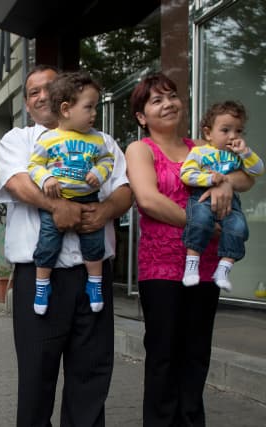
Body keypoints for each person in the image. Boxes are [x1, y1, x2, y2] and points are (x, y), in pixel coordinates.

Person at [0, 64, 132, 426]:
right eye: (33, 91)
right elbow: (19, 183)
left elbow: (124, 190)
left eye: (48, 87)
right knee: (36, 379)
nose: (41, 95)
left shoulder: (102, 141)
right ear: (26, 103)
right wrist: (58, 206)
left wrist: (103, 212)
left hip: (93, 278)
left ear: (66, 97)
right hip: (40, 279)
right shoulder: (19, 140)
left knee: (91, 375)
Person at [125, 73, 255, 426]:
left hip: (207, 266)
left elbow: (246, 175)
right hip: (162, 268)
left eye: (171, 96)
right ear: (142, 116)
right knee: (164, 356)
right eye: (156, 100)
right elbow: (149, 200)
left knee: (196, 355)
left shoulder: (202, 146)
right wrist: (203, 224)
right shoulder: (140, 149)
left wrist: (226, 181)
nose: (167, 104)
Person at [28, 71, 114, 315]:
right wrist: (46, 178)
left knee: (94, 241)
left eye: (95, 107)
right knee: (47, 242)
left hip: (88, 198)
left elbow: (108, 161)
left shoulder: (98, 139)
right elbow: (34, 166)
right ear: (66, 109)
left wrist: (99, 172)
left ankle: (94, 284)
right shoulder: (48, 139)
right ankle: (42, 285)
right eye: (89, 107)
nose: (94, 113)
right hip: (57, 198)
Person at [180, 101, 264, 291]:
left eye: (239, 131)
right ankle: (191, 265)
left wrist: (245, 152)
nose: (233, 136)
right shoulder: (200, 152)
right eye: (225, 130)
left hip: (230, 202)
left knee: (239, 227)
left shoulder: (238, 156)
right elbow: (186, 174)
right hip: (202, 197)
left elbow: (258, 171)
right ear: (208, 133)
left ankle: (224, 268)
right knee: (199, 220)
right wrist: (209, 178)